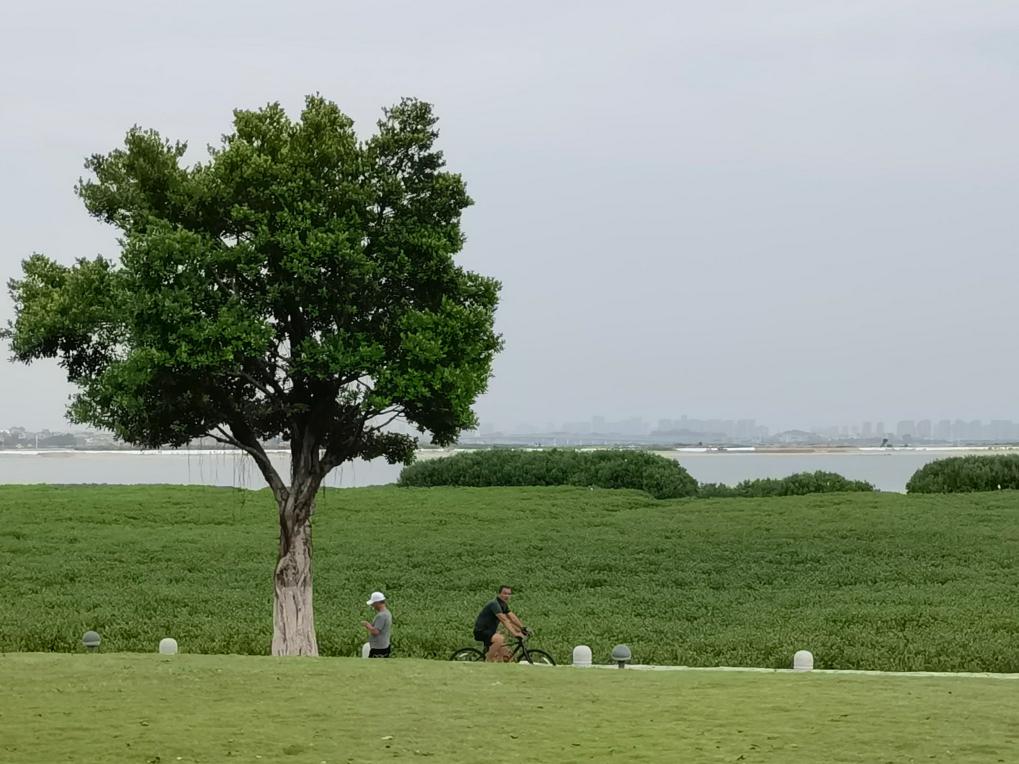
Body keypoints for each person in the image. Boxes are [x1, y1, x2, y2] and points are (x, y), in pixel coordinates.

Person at [473, 585, 526, 662]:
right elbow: (504, 620)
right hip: (481, 631)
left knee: (507, 655)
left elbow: (512, 618)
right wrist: (515, 633)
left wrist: (523, 628)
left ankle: (497, 664)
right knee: (500, 639)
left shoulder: (503, 605)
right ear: (499, 593)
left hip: (491, 632)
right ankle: (487, 661)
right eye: (504, 593)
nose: (507, 596)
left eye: (509, 594)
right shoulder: (494, 604)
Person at [361, 591, 392, 658]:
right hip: (384, 645)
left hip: (378, 648)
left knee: (373, 666)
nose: (372, 606)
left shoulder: (381, 615)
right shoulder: (387, 613)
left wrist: (367, 625)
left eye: (373, 603)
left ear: (377, 603)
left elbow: (376, 632)